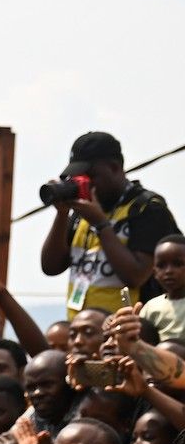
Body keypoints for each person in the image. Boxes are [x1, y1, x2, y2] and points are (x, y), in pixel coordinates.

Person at [39, 131, 181, 315]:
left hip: (128, 331)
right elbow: (50, 267)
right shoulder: (82, 211)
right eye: (76, 179)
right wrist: (62, 214)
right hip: (83, 332)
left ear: (114, 168)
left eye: (88, 178)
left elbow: (135, 275)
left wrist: (100, 224)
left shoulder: (146, 209)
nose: (83, 185)